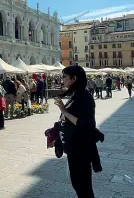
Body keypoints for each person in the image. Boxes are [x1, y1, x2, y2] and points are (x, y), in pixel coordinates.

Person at [54, 65, 98, 198]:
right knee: (78, 185)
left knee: (83, 187)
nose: (62, 80)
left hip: (81, 149)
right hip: (74, 148)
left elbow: (84, 125)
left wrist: (64, 111)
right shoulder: (76, 95)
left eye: (64, 77)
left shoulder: (85, 98)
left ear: (74, 78)